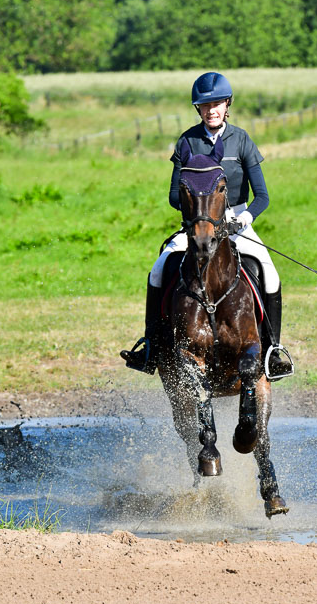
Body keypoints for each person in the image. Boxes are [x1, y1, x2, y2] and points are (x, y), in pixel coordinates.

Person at [120, 71, 293, 379]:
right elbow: (174, 195)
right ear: (197, 109)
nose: (211, 110)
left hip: (236, 220)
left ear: (228, 105)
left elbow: (262, 196)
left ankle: (273, 350)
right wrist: (198, 216)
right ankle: (150, 347)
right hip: (198, 223)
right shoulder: (187, 141)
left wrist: (243, 219)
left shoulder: (240, 140)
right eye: (205, 105)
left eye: (217, 104)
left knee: (269, 273)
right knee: (159, 268)